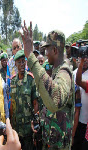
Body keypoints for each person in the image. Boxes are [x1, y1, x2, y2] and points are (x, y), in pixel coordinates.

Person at [20, 21, 74, 150]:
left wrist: (31, 57)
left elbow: (56, 100)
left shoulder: (65, 72)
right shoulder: (56, 72)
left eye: (47, 50)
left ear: (54, 50)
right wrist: (40, 118)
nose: (45, 54)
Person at [10, 50, 38, 150]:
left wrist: (34, 123)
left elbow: (35, 104)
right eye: (19, 62)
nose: (22, 64)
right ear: (15, 64)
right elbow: (12, 104)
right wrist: (11, 125)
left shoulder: (31, 79)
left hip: (28, 129)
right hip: (16, 128)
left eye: (23, 61)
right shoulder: (13, 80)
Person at [72, 58, 88, 150]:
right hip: (73, 120)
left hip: (85, 122)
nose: (85, 60)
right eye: (82, 57)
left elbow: (79, 82)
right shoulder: (73, 73)